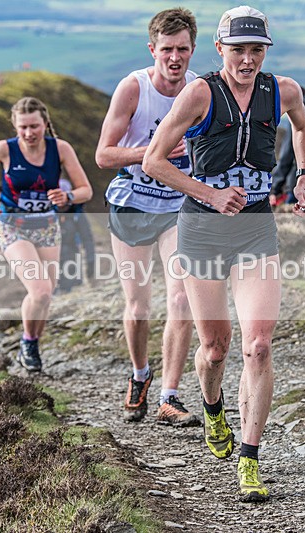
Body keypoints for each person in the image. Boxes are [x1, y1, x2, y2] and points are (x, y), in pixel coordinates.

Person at [143, 6, 305, 502]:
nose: (247, 59)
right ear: (220, 49)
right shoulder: (200, 94)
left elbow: (303, 128)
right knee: (215, 348)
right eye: (238, 49)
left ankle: (250, 458)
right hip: (201, 230)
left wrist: (303, 176)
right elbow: (154, 160)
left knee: (258, 345)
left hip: (255, 228)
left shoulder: (283, 91)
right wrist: (210, 194)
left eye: (257, 50)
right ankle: (213, 407)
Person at [95, 8, 199, 427]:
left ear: (193, 49)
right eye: (167, 49)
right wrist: (153, 152)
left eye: (183, 49)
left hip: (179, 208)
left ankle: (168, 396)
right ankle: (140, 373)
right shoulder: (133, 88)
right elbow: (104, 155)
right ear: (152, 49)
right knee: (139, 306)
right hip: (133, 203)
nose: (175, 58)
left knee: (182, 298)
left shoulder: (201, 90)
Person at [0, 96, 93, 372]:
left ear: (45, 124)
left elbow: (86, 190)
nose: (28, 133)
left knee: (46, 295)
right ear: (15, 126)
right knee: (39, 290)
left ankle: (33, 343)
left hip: (47, 226)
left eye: (34, 126)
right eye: (22, 127)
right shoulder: (5, 149)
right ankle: (27, 342)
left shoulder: (60, 149)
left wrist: (68, 196)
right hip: (12, 226)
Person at [56, 177, 96, 293]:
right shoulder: (48, 212)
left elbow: (87, 238)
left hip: (71, 252)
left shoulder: (77, 213)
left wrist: (90, 260)